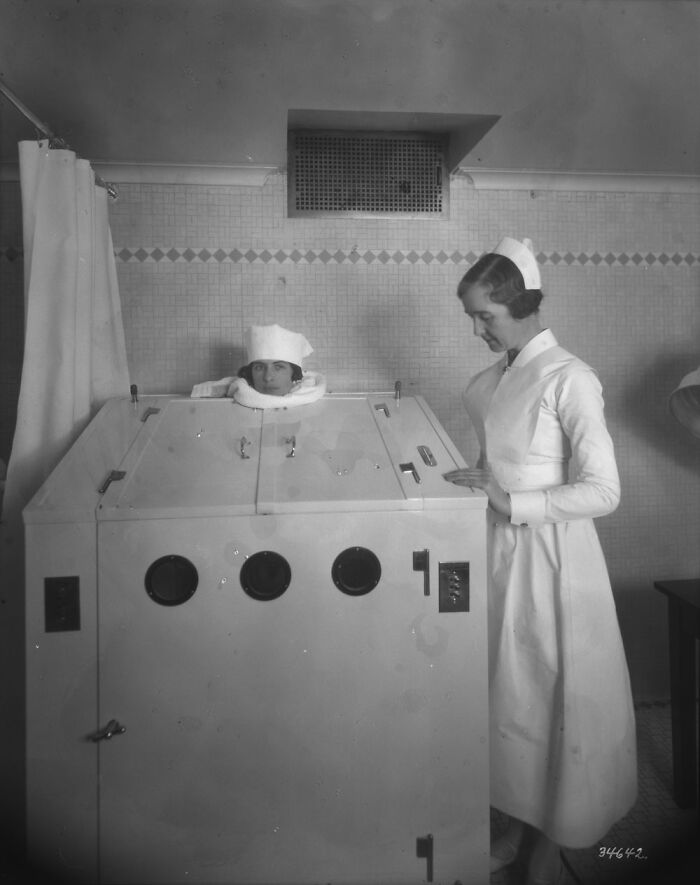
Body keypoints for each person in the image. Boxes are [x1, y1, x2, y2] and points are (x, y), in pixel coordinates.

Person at [443, 237, 637, 884]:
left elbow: (604, 491)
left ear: (520, 305)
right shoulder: (491, 380)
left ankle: (551, 845)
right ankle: (513, 827)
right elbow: (498, 461)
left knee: (553, 701)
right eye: (472, 316)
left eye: (484, 316)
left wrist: (511, 499)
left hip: (554, 558)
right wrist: (477, 486)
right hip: (499, 550)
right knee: (510, 700)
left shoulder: (570, 377)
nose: (476, 329)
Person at [191, 323, 326, 408]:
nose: (267, 377)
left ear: (294, 373)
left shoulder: (314, 402)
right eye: (259, 367)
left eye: (278, 367)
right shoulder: (238, 396)